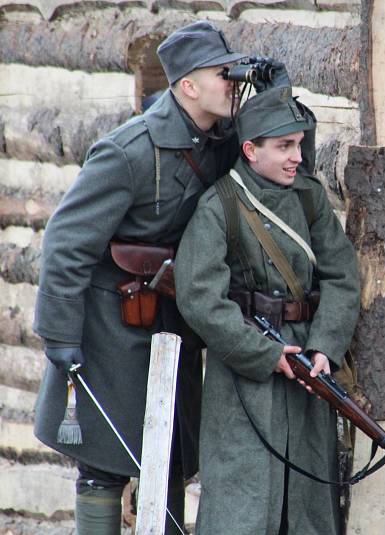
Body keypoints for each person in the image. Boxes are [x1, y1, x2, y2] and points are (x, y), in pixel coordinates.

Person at [32, 21, 246, 534]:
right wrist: (60, 335)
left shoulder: (223, 138)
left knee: (169, 456)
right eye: (224, 74)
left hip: (175, 318)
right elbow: (66, 244)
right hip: (112, 326)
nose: (234, 83)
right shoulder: (127, 151)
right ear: (188, 86)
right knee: (104, 463)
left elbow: (282, 152)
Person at [173, 84, 360, 535]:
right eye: (283, 147)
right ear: (251, 150)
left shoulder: (310, 197)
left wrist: (325, 348)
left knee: (307, 500)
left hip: (307, 366)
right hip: (244, 371)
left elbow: (342, 277)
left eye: (298, 144)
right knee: (244, 495)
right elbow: (200, 297)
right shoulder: (218, 206)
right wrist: (263, 355)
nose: (296, 156)